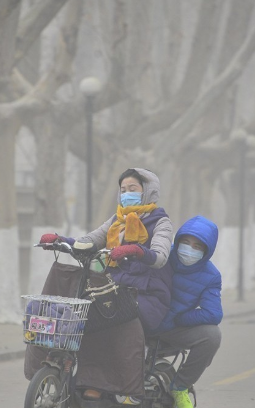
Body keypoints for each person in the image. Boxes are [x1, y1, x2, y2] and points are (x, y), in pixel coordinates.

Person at [38, 167, 174, 404]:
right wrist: (61, 240)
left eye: (133, 189)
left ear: (148, 191)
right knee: (89, 316)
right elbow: (89, 241)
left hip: (148, 294)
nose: (126, 194)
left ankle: (118, 381)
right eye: (123, 190)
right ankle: (93, 382)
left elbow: (160, 256)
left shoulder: (160, 221)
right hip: (116, 289)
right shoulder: (116, 220)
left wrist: (136, 249)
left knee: (113, 319)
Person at [150, 215, 223, 408]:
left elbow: (213, 314)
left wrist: (180, 319)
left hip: (172, 328)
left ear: (207, 251)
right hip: (142, 321)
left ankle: (180, 387)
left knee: (211, 336)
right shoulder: (162, 256)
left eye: (197, 247)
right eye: (186, 242)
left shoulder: (211, 276)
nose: (189, 249)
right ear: (178, 240)